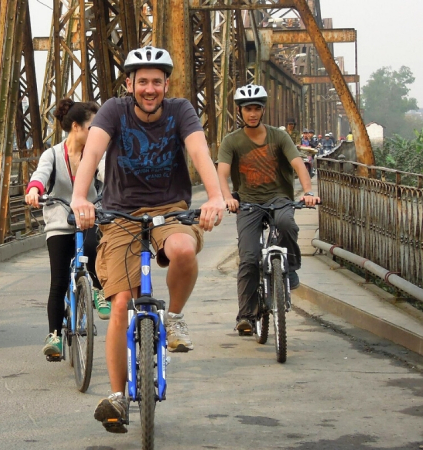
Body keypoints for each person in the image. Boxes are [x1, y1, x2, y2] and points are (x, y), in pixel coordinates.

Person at [69, 46, 226, 433]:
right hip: (121, 212)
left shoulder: (180, 111)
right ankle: (119, 397)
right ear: (130, 84)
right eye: (143, 82)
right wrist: (79, 197)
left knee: (184, 249)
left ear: (166, 84)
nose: (150, 88)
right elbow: (92, 152)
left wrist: (216, 195)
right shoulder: (113, 110)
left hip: (169, 207)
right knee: (121, 302)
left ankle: (173, 317)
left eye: (157, 81)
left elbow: (199, 151)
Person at [216, 84, 320, 335]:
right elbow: (222, 172)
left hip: (279, 198)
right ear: (240, 111)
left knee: (286, 225)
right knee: (249, 257)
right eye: (247, 109)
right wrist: (228, 197)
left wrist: (308, 192)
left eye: (256, 109)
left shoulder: (279, 136)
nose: (252, 114)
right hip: (249, 203)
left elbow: (298, 164)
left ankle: (291, 268)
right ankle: (246, 316)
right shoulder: (232, 141)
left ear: (263, 111)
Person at [24, 98, 108, 361]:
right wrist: (35, 190)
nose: (97, 132)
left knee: (95, 247)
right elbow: (40, 174)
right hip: (60, 220)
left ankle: (96, 289)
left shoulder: (97, 153)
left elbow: (108, 174)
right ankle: (54, 336)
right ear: (76, 127)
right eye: (93, 127)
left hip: (89, 216)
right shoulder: (52, 154)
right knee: (58, 281)